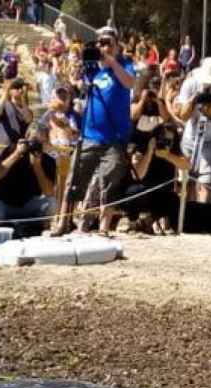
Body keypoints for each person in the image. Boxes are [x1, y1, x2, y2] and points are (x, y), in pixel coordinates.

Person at [55, 25, 136, 234]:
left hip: (114, 138)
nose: (103, 47)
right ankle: (63, 222)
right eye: (100, 43)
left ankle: (103, 227)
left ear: (118, 45)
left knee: (107, 181)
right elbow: (79, 86)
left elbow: (130, 83)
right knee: (74, 179)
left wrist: (111, 62)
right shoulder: (94, 69)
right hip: (89, 135)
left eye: (108, 43)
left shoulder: (125, 64)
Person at [173, 56, 211, 204]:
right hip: (191, 138)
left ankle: (203, 213)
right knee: (188, 182)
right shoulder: (190, 84)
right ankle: (188, 216)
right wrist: (194, 100)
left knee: (207, 182)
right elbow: (182, 115)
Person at [0, 131, 56, 237]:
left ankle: (46, 231)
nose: (35, 145)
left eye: (40, 142)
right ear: (25, 139)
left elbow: (49, 192)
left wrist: (37, 166)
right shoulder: (11, 150)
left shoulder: (48, 161)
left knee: (51, 203)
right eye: (33, 141)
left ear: (46, 143)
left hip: (28, 204)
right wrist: (17, 154)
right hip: (4, 202)